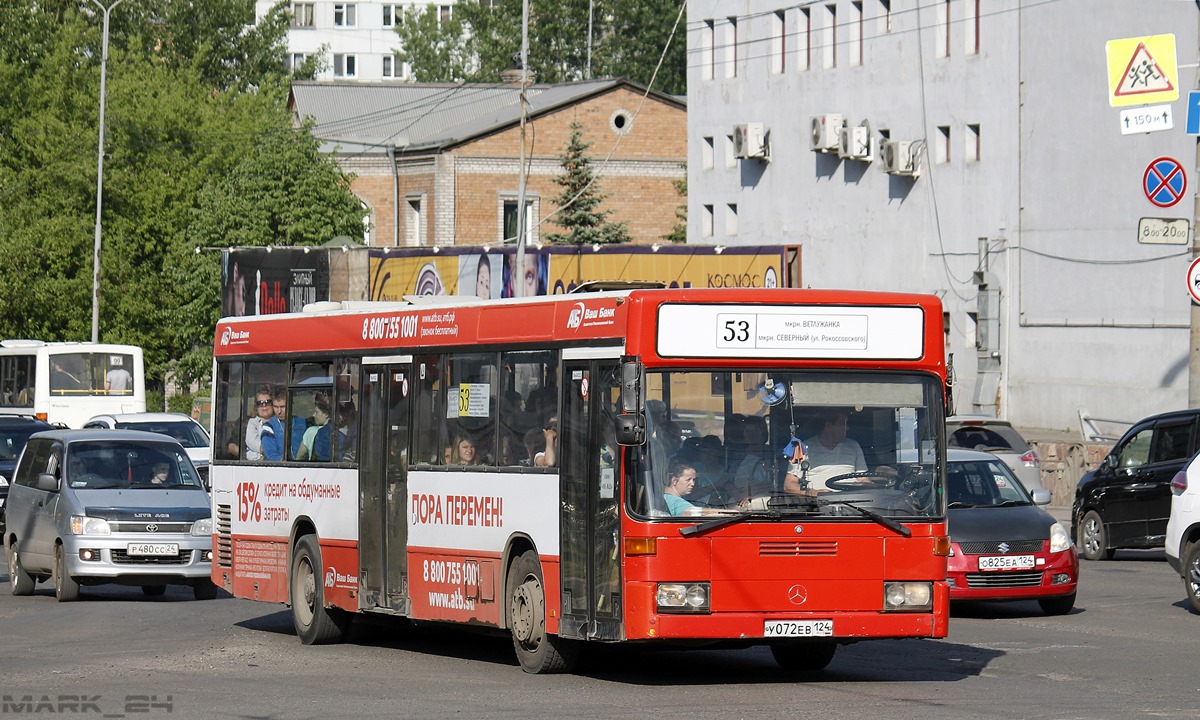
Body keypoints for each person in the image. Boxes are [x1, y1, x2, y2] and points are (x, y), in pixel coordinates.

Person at [785, 408, 868, 494]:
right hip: (814, 504)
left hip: (853, 503)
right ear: (828, 426)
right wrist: (812, 493)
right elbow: (789, 483)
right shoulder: (803, 448)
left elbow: (863, 478)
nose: (847, 428)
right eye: (842, 424)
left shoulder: (853, 446)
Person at [297, 392, 331, 461]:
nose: (313, 415)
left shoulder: (311, 431)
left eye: (316, 412)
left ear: (326, 414)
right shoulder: (340, 430)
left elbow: (299, 457)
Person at [244, 388, 274, 461]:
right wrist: (267, 449)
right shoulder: (252, 422)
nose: (264, 406)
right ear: (256, 407)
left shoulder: (278, 422)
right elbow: (251, 442)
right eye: (260, 403)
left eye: (268, 402)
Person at [260, 387, 286, 462]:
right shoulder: (268, 427)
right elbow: (271, 455)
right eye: (275, 407)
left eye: (282, 407)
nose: (279, 411)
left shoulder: (301, 422)